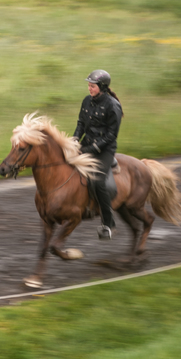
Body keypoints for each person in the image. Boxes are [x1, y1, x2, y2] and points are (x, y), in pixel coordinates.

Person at [73, 69, 123, 240]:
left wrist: (92, 149)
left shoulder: (113, 106)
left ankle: (108, 224)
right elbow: (81, 123)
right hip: (87, 144)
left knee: (98, 181)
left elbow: (111, 136)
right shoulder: (87, 101)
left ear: (101, 87)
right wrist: (74, 140)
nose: (89, 88)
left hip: (105, 150)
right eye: (88, 85)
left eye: (92, 86)